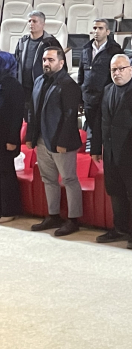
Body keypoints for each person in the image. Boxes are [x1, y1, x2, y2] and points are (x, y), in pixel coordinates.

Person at [90, 54, 132, 248]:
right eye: (114, 70)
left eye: (121, 69)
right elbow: (100, 121)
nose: (117, 73)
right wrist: (96, 147)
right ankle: (119, 229)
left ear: (131, 69)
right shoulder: (107, 90)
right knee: (115, 191)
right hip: (110, 152)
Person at [26, 47, 83, 237]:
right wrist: (30, 136)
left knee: (69, 179)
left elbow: (69, 116)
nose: (46, 63)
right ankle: (53, 215)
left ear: (61, 62)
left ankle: (73, 220)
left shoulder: (68, 84)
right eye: (44, 59)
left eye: (50, 60)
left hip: (61, 141)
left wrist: (63, 141)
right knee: (48, 179)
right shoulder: (39, 81)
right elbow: (32, 110)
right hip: (42, 139)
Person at [78, 19, 123, 144]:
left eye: (100, 28)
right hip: (88, 98)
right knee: (92, 129)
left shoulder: (115, 50)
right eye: (94, 28)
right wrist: (80, 97)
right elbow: (81, 75)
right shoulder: (86, 49)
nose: (96, 31)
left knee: (104, 131)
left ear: (108, 31)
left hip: (105, 98)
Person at [14, 11, 62, 122]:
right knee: (26, 120)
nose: (31, 23)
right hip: (24, 88)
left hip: (43, 88)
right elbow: (16, 63)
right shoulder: (22, 41)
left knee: (40, 119)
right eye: (29, 21)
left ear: (43, 24)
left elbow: (60, 66)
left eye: (34, 21)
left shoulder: (51, 42)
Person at [0, 52, 24, 223]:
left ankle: (10, 210)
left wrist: (12, 140)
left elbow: (16, 116)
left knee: (6, 174)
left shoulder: (13, 85)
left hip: (7, 139)